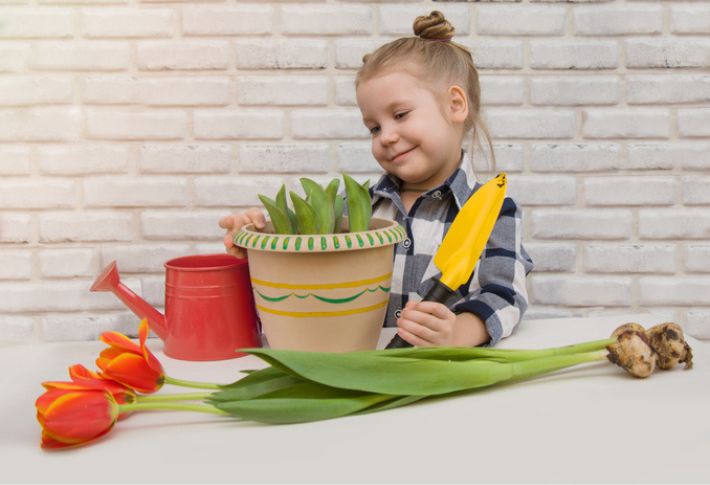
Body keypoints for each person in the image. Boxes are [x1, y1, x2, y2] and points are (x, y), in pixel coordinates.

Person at [219, 11, 533, 348]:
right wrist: (258, 233)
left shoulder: (491, 211)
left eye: (400, 115)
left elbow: (506, 294)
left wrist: (460, 331)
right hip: (359, 361)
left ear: (455, 104)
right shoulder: (356, 209)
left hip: (440, 370)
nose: (386, 136)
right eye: (374, 127)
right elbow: (304, 246)